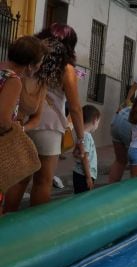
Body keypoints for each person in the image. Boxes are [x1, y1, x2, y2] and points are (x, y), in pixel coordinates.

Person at [18, 23, 86, 207]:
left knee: (20, 178)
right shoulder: (66, 69)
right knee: (43, 181)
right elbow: (75, 108)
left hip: (23, 122)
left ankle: (7, 219)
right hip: (49, 129)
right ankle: (36, 228)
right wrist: (81, 139)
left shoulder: (31, 60)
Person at [0, 36, 47, 213]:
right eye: (39, 63)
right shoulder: (13, 80)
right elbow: (3, 120)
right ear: (29, 65)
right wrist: (17, 128)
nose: (40, 67)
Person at [73, 105, 100, 193]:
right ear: (95, 120)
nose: (98, 125)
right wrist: (88, 177)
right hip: (84, 175)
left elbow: (75, 153)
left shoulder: (80, 135)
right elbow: (85, 157)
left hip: (77, 173)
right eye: (98, 122)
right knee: (83, 199)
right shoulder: (87, 136)